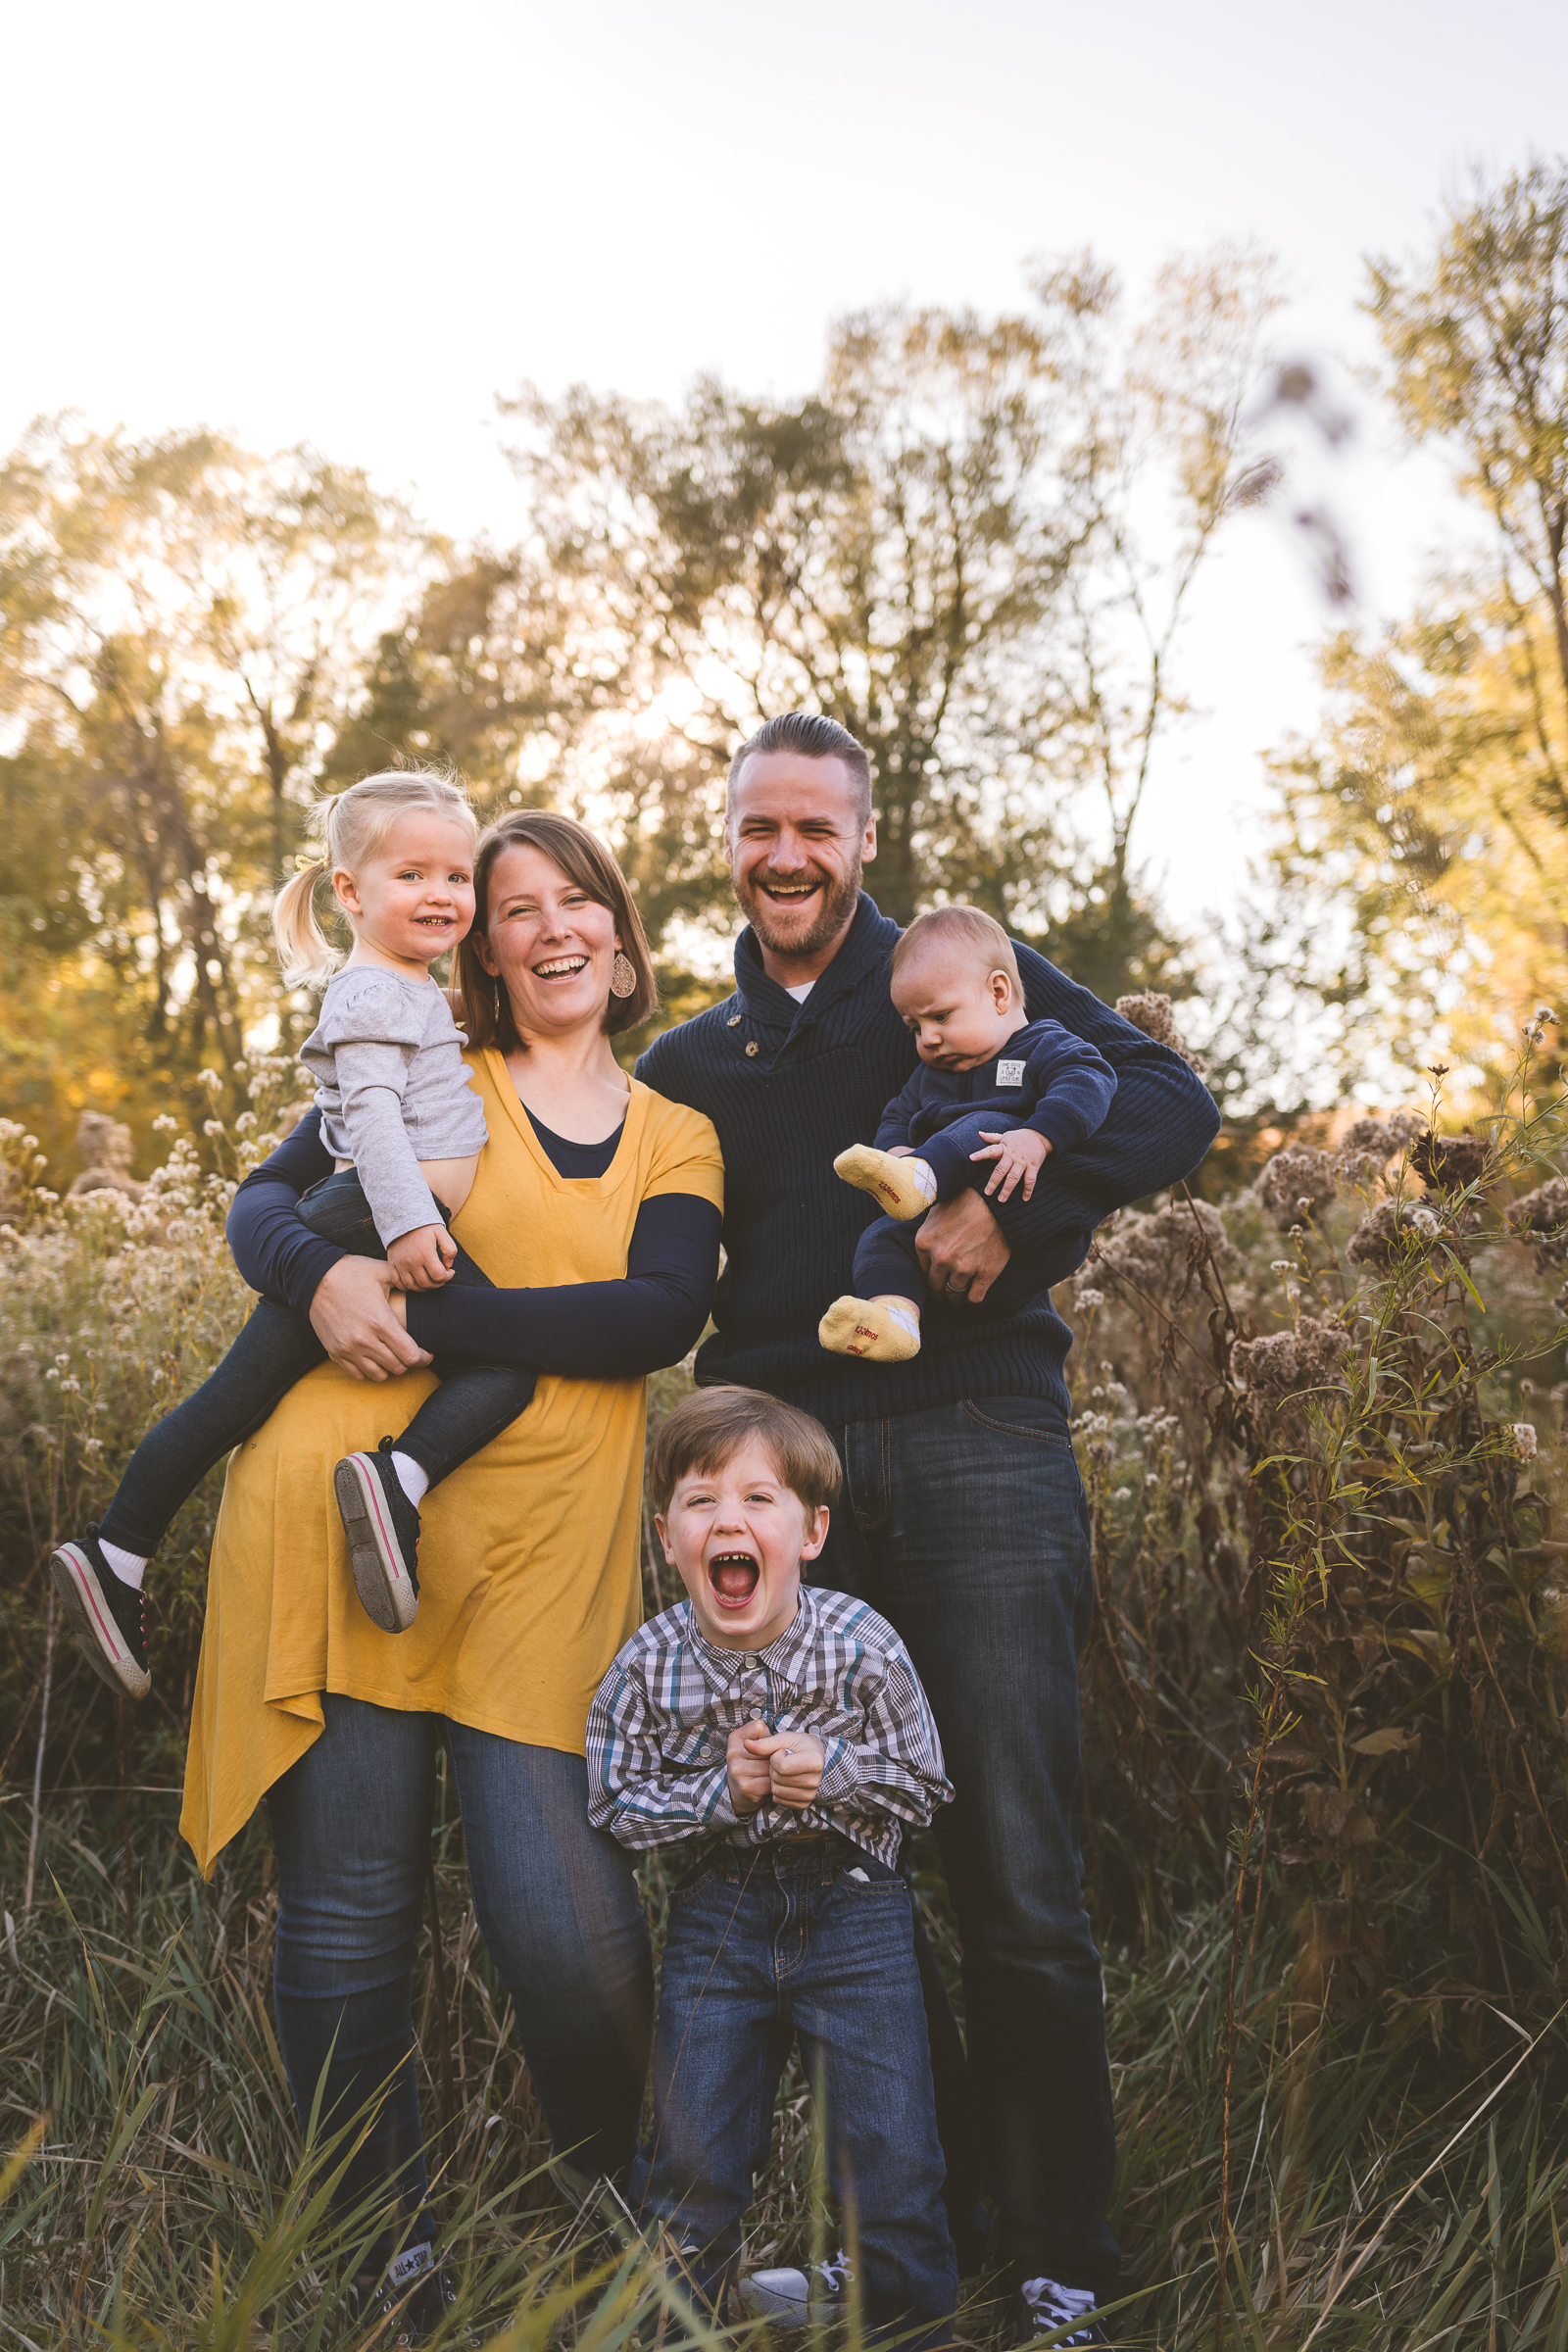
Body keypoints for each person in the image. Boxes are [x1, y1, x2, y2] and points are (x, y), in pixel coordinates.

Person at [636, 711, 1221, 2346]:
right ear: (729, 835)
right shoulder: (690, 1065)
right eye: (760, 827)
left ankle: (1059, 2258)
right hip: (791, 1489)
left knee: (1017, 1874)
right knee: (831, 1873)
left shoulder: (961, 973)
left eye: (816, 829)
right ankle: (903, 2239)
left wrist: (1011, 1213)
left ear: (863, 839)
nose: (786, 857)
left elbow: (1171, 1099)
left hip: (978, 1445)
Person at [176, 808, 725, 2333]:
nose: (549, 927)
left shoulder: (677, 1130)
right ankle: (382, 2254)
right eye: (514, 907)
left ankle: (627, 2219)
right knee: (348, 1918)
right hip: (353, 1522)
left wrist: (436, 1316)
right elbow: (261, 1208)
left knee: (566, 1929)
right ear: (481, 943)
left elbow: (651, 1321)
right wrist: (327, 1275)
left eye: (577, 902)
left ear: (619, 933)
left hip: (545, 1560)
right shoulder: (432, 1070)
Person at [49, 770, 545, 1697]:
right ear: (350, 892)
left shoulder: (409, 987)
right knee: (488, 1369)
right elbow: (372, 1119)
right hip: (372, 1216)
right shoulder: (369, 995)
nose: (441, 894)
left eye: (455, 876)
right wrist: (403, 1227)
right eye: (413, 876)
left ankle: (372, 1490)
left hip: (377, 1217)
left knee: (242, 1398)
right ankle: (132, 1549)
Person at [587, 1386, 957, 2350]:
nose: (728, 1521)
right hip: (720, 1916)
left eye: (758, 1499)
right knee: (693, 2160)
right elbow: (616, 1808)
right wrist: (723, 1792)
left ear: (811, 1530)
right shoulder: (644, 1668)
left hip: (858, 1910)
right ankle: (674, 2331)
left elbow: (922, 1787)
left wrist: (830, 1774)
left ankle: (907, 2331)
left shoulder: (861, 1647)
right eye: (700, 1501)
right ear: (667, 1537)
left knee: (891, 2162)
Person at [821, 904, 1116, 1363]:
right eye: (914, 1027)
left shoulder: (1043, 1044)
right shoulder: (930, 1075)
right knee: (880, 1239)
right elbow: (898, 1115)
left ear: (999, 993)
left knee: (991, 1127)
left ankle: (919, 1179)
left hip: (1029, 1241)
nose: (928, 1039)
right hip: (941, 1241)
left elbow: (1090, 1080)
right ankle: (895, 1319)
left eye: (940, 1017)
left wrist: (1037, 1137)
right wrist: (898, 1153)